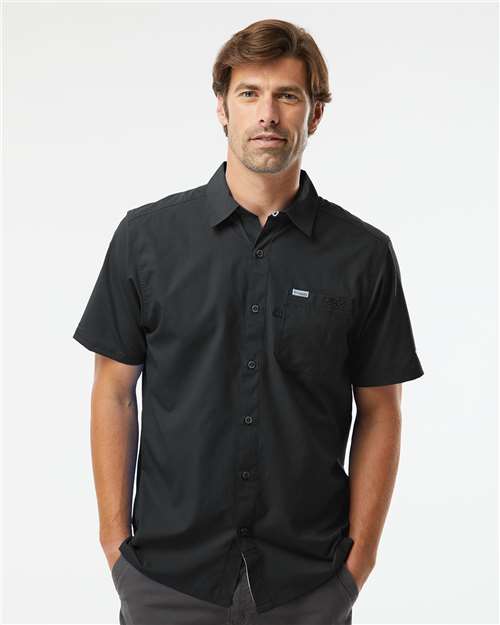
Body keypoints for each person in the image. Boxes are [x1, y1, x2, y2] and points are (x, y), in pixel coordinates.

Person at [73, 18, 424, 625]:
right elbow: (114, 391)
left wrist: (358, 562)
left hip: (307, 583)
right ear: (222, 108)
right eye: (249, 93)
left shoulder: (362, 255)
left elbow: (380, 410)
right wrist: (115, 546)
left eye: (288, 95)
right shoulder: (146, 238)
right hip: (166, 579)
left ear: (315, 114)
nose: (268, 114)